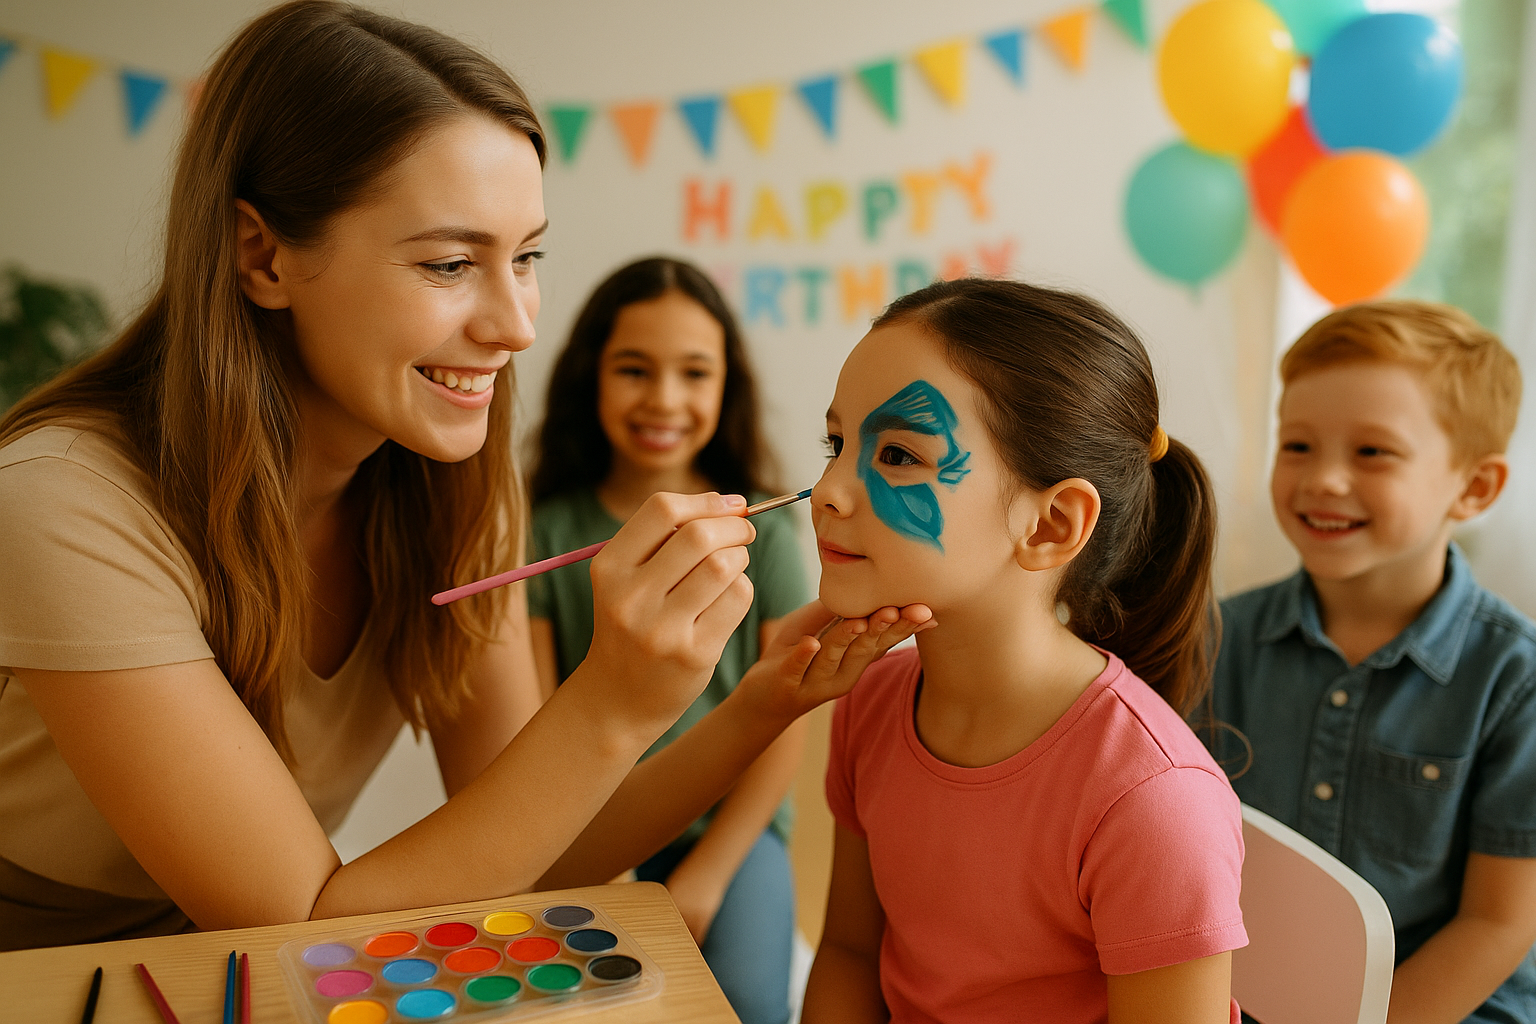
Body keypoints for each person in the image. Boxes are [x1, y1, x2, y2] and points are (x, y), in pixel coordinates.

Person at [0, 0, 931, 952]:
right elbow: (303, 924)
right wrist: (612, 699)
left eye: (526, 257)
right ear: (263, 256)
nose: (518, 325)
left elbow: (537, 862)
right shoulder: (61, 504)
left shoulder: (452, 492)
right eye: (450, 264)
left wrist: (759, 703)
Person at [800, 278, 1247, 1024]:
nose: (826, 492)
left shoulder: (1155, 803)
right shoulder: (871, 701)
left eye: (899, 455)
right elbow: (849, 953)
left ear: (1050, 525)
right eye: (836, 445)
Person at [1209, 301, 1536, 1024]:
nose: (1323, 479)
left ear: (1474, 488)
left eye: (1372, 453)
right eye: (1298, 445)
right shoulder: (1215, 639)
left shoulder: (1516, 680)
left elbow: (1498, 922)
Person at [526, 257, 806, 1024]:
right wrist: (595, 869)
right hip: (585, 830)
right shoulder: (545, 534)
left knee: (746, 1000)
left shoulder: (768, 533)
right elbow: (538, 722)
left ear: (726, 386)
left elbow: (785, 718)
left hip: (730, 830)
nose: (665, 399)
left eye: (694, 372)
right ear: (591, 377)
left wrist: (709, 875)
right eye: (634, 369)